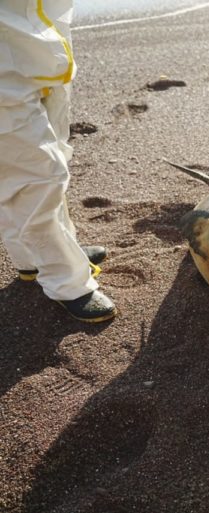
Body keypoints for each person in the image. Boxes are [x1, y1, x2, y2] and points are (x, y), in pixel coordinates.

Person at [0, 0, 116, 323]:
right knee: (32, 170)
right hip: (4, 56)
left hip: (43, 43)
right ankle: (67, 281)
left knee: (52, 150)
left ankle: (37, 255)